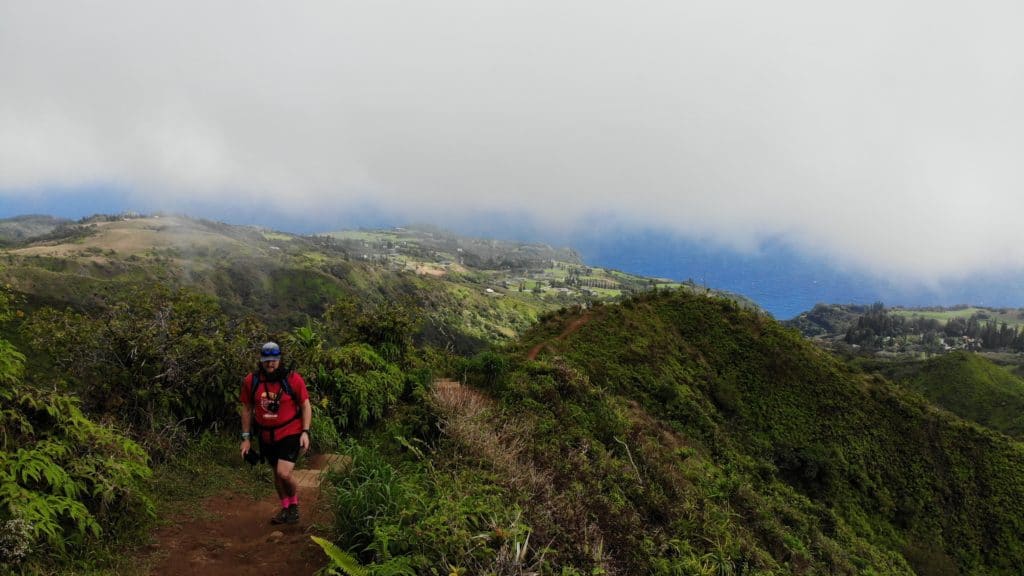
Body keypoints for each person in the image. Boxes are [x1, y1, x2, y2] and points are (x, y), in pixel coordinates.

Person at [240, 341, 312, 524]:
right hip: (266, 435)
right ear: (261, 360)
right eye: (266, 360)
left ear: (279, 359)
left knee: (284, 473)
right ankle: (286, 507)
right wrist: (246, 438)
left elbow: (305, 405)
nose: (270, 364)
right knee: (276, 474)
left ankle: (294, 504)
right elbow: (247, 409)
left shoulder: (293, 379)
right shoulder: (252, 381)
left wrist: (305, 431)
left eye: (273, 360)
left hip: (290, 431)